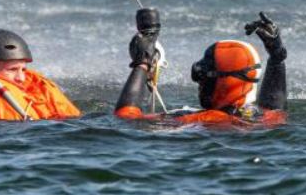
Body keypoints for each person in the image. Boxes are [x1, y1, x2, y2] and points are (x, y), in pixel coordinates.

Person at [114, 9, 287, 126]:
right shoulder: (262, 117)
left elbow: (126, 119)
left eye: (204, 76)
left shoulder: (211, 119)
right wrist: (277, 58)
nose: (200, 83)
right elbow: (274, 106)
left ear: (226, 82)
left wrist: (142, 63)